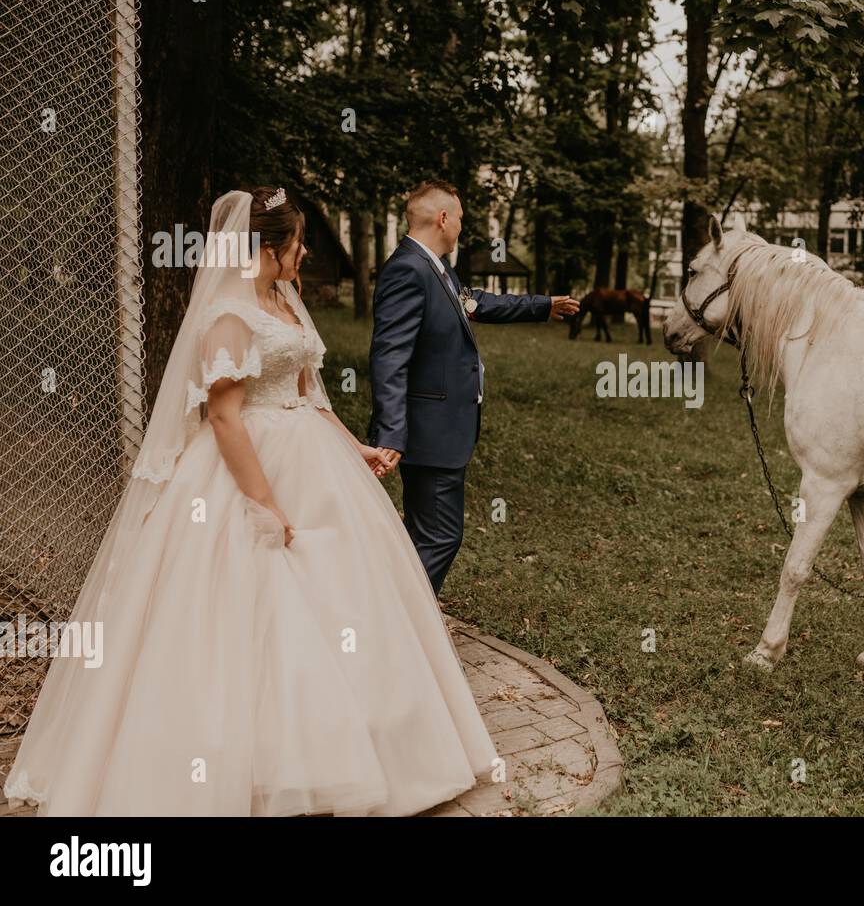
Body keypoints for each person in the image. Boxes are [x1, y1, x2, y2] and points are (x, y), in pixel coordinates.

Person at [5, 187, 497, 816]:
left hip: (314, 463)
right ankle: (249, 768)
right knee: (249, 610)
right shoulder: (229, 317)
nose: (304, 254)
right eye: (298, 243)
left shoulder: (282, 302)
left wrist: (358, 450)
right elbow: (225, 417)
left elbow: (309, 392)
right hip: (243, 473)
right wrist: (264, 502)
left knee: (340, 600)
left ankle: (361, 749)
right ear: (271, 247)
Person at [368, 179, 578, 595]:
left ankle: (399, 624)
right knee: (440, 537)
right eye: (460, 218)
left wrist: (542, 305)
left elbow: (476, 302)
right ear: (443, 218)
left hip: (443, 429)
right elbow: (389, 356)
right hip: (428, 433)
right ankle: (398, 629)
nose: (462, 227)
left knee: (425, 535)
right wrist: (392, 432)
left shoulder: (436, 267)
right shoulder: (408, 270)